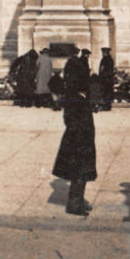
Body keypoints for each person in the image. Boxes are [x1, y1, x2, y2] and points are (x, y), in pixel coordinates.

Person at [52, 87, 97, 216]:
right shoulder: (76, 99)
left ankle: (78, 201)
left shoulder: (76, 97)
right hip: (79, 142)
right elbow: (74, 122)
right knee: (79, 173)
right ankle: (74, 205)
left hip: (78, 140)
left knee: (79, 174)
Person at [97, 47, 117, 112]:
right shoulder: (108, 59)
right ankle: (106, 106)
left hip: (106, 79)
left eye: (103, 53)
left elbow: (105, 70)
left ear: (106, 53)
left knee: (106, 93)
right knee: (106, 93)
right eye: (103, 52)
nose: (102, 54)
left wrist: (102, 77)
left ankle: (106, 106)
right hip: (107, 79)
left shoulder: (107, 60)